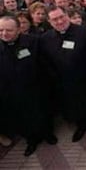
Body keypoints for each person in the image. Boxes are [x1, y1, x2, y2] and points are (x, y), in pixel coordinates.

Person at [41, 6, 86, 142]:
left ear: (67, 16)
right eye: (55, 19)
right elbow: (46, 61)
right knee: (73, 106)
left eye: (61, 17)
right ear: (50, 22)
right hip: (64, 82)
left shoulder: (84, 32)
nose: (59, 21)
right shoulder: (45, 39)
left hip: (85, 78)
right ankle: (81, 126)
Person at [0, 15, 55, 156]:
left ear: (19, 30)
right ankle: (32, 141)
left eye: (9, 30)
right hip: (12, 93)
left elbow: (46, 65)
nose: (4, 34)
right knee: (24, 119)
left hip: (36, 90)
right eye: (1, 30)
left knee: (43, 114)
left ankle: (48, 134)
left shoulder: (33, 42)